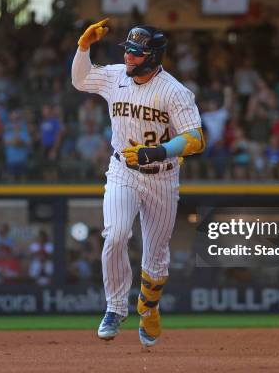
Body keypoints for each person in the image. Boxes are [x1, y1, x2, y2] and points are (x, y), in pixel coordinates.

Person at [71, 20, 204, 347]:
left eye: (137, 52)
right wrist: (83, 48)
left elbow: (196, 138)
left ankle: (148, 307)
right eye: (127, 51)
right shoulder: (116, 75)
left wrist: (158, 151)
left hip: (163, 176)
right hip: (123, 170)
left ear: (154, 56)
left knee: (156, 256)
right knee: (115, 235)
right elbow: (81, 79)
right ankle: (115, 308)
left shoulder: (173, 91)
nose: (129, 57)